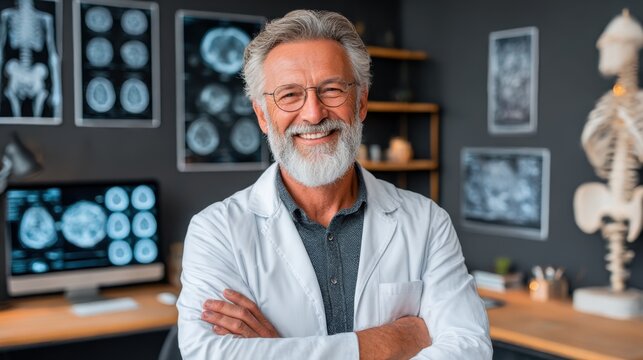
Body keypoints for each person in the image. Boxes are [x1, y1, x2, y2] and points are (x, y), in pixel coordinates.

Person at [177, 9, 492, 359]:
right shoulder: (216, 231)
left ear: (361, 102)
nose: (313, 114)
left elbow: (469, 349)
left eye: (331, 89)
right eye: (290, 95)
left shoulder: (427, 222)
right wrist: (395, 341)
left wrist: (278, 351)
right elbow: (208, 354)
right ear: (263, 116)